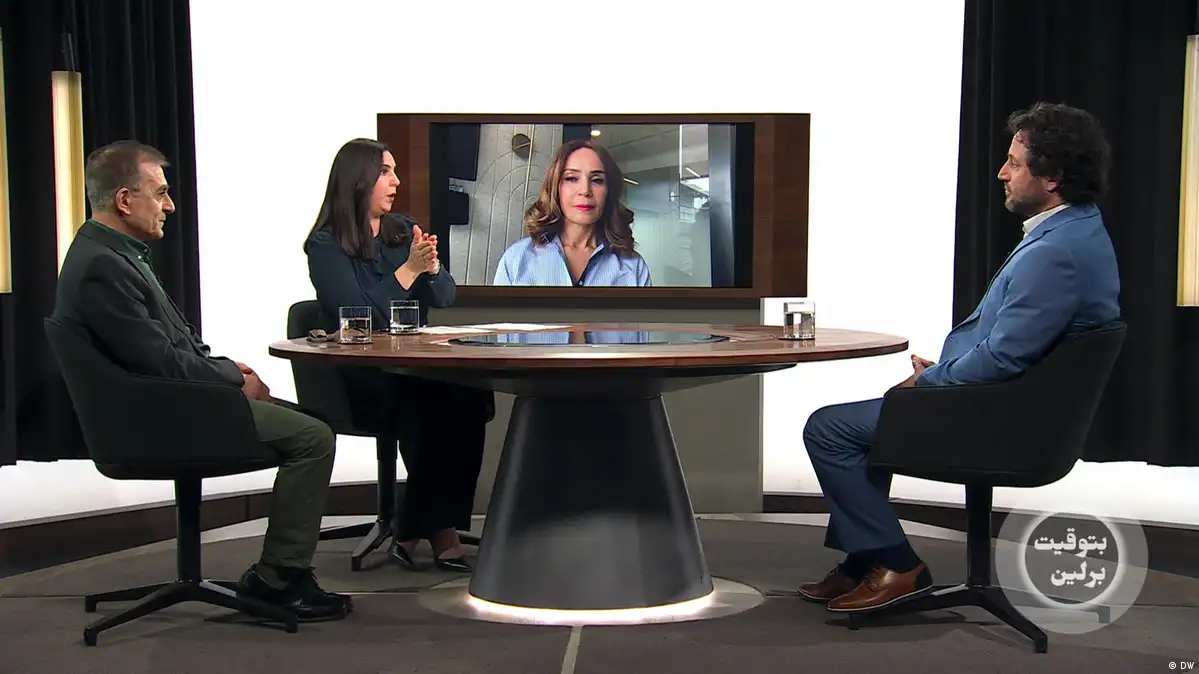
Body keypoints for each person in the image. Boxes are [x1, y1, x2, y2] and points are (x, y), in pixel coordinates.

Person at [798, 102, 1121, 613]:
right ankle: (866, 560)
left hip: (1000, 421)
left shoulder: (1056, 252)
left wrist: (930, 384)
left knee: (829, 429)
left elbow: (1003, 359)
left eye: (1014, 163)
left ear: (1053, 176)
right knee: (867, 425)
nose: (1002, 173)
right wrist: (943, 375)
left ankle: (898, 564)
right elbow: (1014, 347)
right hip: (1000, 401)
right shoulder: (1076, 230)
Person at [53, 141, 351, 622]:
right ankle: (278, 579)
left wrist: (230, 373)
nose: (170, 205)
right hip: (159, 418)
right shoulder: (102, 267)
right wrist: (232, 378)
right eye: (160, 193)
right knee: (313, 438)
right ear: (125, 200)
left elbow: (171, 349)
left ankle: (281, 573)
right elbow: (159, 363)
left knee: (310, 420)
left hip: (176, 403)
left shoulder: (113, 255)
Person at [304, 138, 492, 572]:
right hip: (363, 378)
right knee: (433, 405)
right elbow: (360, 316)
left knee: (471, 395)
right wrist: (408, 271)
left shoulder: (402, 231)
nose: (396, 182)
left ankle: (411, 528)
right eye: (385, 172)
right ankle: (440, 531)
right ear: (358, 180)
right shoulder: (326, 245)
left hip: (416, 368)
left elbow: (445, 297)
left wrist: (432, 268)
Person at [493, 139, 652, 287]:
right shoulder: (516, 259)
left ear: (609, 191)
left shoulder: (634, 267)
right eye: (572, 178)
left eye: (597, 180)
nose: (585, 191)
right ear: (556, 187)